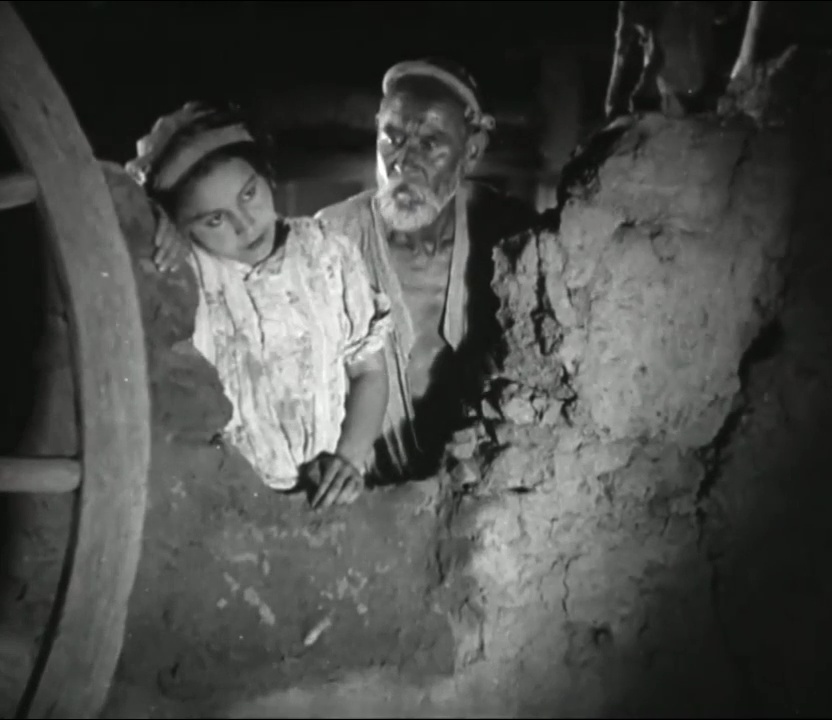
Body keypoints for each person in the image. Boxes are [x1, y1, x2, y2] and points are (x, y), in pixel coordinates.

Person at [150, 59, 540, 481]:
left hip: (478, 484)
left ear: (472, 151)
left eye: (430, 144)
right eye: (392, 138)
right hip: (363, 491)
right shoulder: (331, 240)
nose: (404, 161)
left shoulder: (510, 233)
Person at [127, 101, 393, 509]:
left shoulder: (328, 255)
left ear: (267, 176)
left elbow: (369, 372)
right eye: (214, 220)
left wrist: (348, 460)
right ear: (181, 228)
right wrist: (152, 225)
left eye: (248, 194)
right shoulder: (186, 279)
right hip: (228, 506)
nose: (245, 224)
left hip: (330, 497)